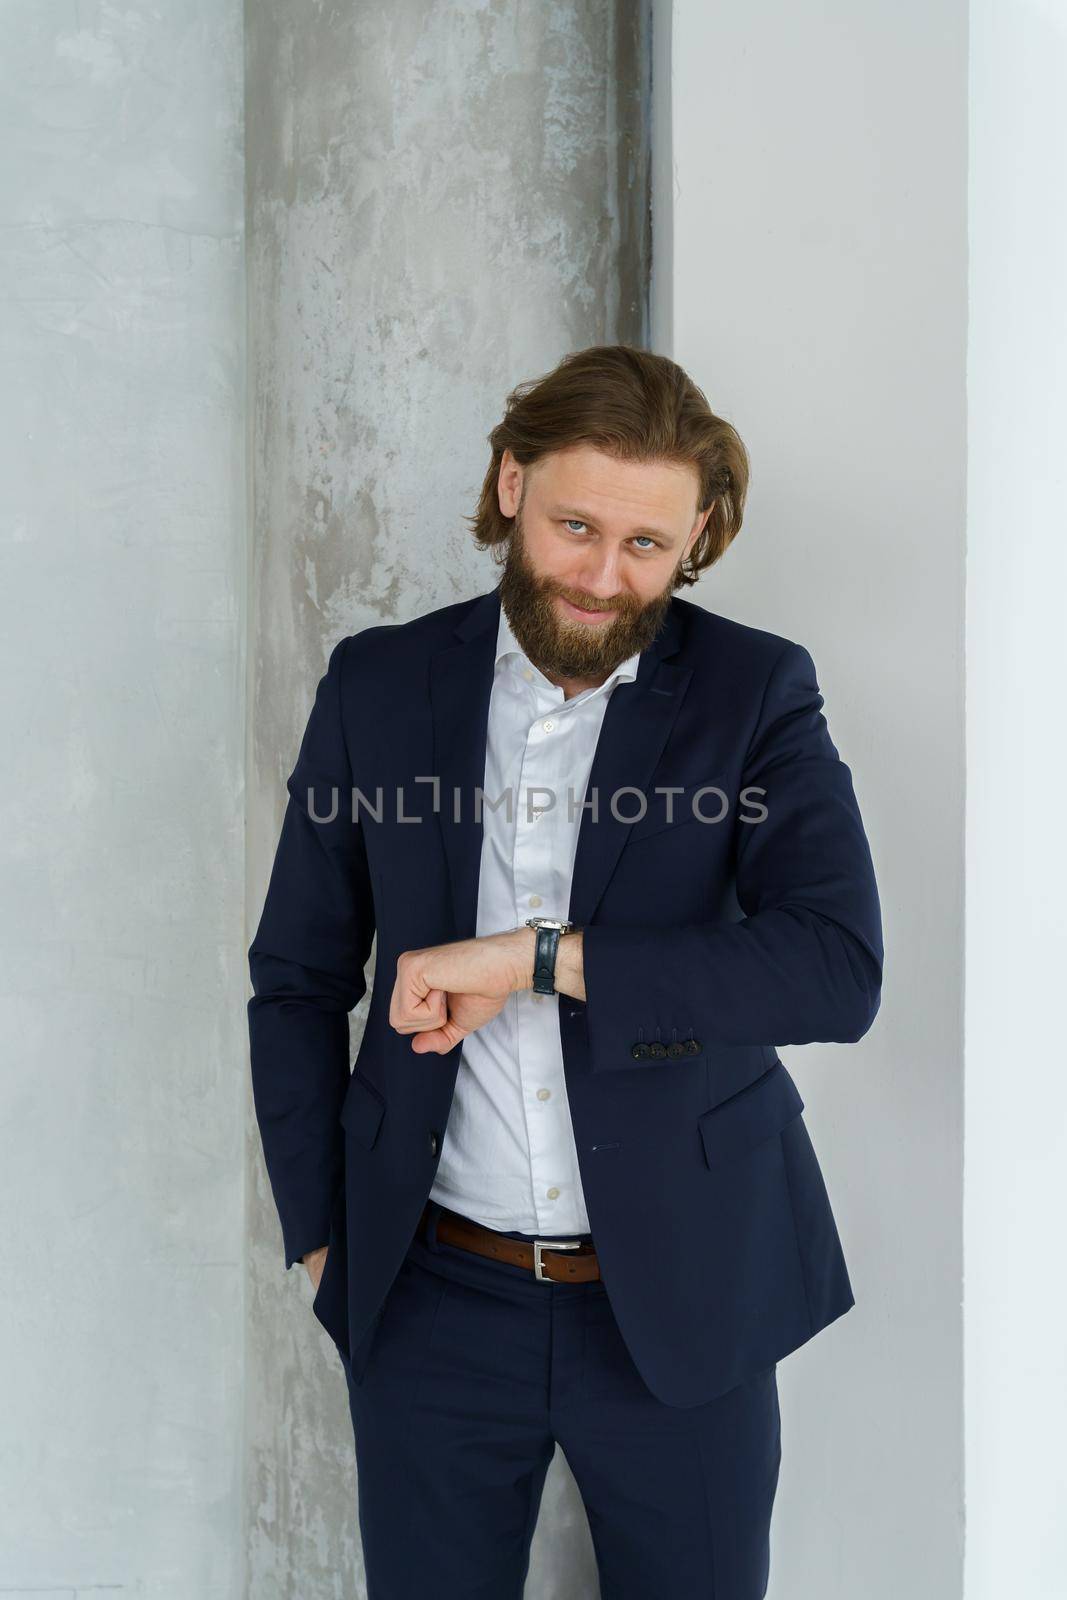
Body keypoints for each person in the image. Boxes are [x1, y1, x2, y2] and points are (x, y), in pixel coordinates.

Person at [247, 344, 883, 1598]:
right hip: (427, 1293)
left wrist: (538, 958)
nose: (601, 578)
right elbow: (296, 976)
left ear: (696, 534)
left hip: (685, 1301)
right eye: (573, 526)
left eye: (646, 544)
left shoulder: (756, 692)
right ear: (507, 486)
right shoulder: (378, 684)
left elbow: (833, 968)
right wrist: (322, 1237)